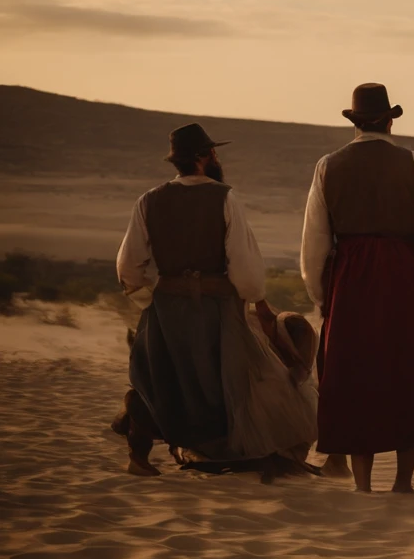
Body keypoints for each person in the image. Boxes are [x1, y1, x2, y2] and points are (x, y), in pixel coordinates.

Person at [117, 123, 317, 476]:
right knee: (231, 380)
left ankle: (142, 457)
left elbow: (129, 266)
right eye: (212, 151)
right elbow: (244, 262)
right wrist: (256, 298)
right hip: (217, 308)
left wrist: (151, 299)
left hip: (165, 308)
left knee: (165, 379)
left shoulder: (148, 200)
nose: (216, 156)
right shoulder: (224, 197)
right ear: (202, 157)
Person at [300, 83, 414, 493]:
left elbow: (315, 242)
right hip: (402, 275)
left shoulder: (328, 165)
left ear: (355, 122)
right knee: (407, 371)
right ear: (391, 120)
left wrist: (322, 297)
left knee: (356, 376)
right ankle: (403, 483)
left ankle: (362, 483)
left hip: (349, 280)